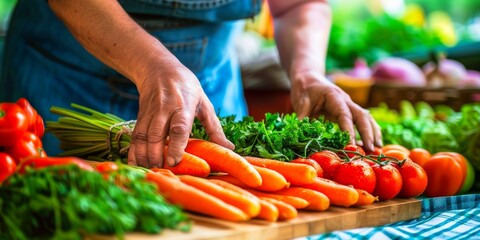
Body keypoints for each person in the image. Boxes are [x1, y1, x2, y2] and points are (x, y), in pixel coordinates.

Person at [0, 0, 382, 168]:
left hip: (208, 90)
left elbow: (297, 5)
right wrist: (153, 63)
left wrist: (307, 73)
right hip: (67, 74)